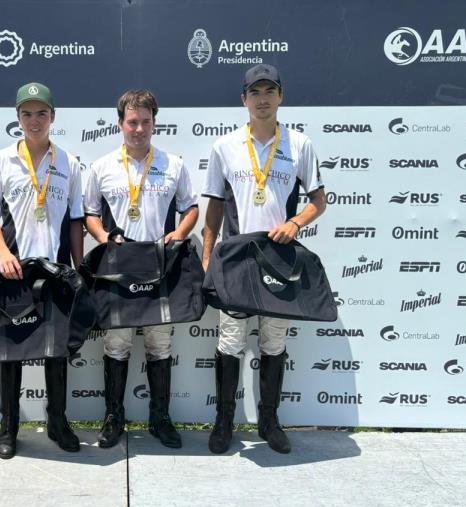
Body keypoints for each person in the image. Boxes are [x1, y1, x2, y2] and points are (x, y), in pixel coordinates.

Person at [201, 64, 327, 454]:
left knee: (273, 343)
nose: (262, 98)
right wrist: (208, 258)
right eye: (255, 92)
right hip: (238, 263)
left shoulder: (300, 145)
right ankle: (223, 424)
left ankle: (270, 422)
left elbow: (318, 202)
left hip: (280, 262)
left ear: (280, 96)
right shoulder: (224, 147)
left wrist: (295, 222)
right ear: (244, 99)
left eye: (269, 90)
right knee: (231, 342)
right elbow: (214, 209)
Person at [84, 89, 199, 449]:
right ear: (121, 124)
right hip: (119, 265)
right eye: (132, 122)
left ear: (154, 123)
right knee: (116, 344)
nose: (138, 128)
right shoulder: (101, 167)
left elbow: (191, 207)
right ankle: (113, 418)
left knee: (159, 344)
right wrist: (103, 236)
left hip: (159, 264)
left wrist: (178, 234)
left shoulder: (173, 164)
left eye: (145, 121)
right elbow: (89, 214)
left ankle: (160, 419)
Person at [0, 82, 84, 459]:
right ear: (18, 118)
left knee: (56, 350)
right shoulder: (1, 161)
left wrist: (78, 268)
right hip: (14, 272)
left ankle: (57, 421)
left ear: (52, 117)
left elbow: (76, 221)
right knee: (12, 351)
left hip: (55, 272)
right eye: (27, 113)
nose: (34, 120)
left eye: (41, 113)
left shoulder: (68, 162)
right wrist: (3, 253)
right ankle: (8, 428)